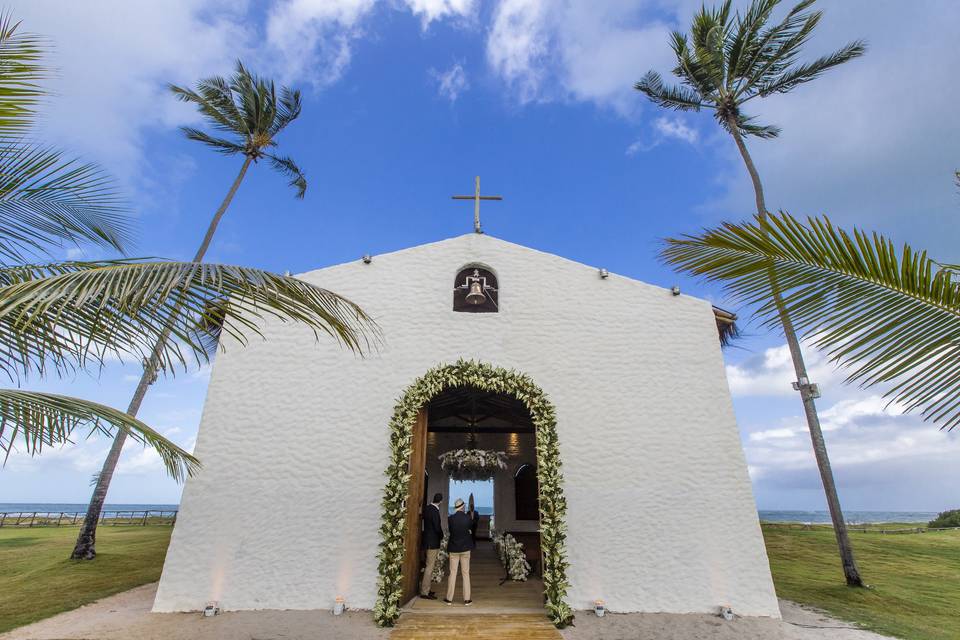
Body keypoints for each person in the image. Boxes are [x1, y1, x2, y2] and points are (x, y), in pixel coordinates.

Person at [444, 497, 475, 606]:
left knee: (452, 573)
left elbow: (452, 531)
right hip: (465, 548)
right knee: (465, 573)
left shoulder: (450, 518)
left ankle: (449, 599)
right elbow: (471, 527)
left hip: (454, 548)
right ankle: (467, 599)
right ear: (463, 507)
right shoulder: (467, 518)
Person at [419, 493, 443, 600]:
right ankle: (424, 592)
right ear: (441, 501)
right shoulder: (435, 511)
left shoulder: (427, 508)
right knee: (429, 567)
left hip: (427, 540)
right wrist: (442, 535)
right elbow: (437, 527)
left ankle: (427, 589)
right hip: (433, 542)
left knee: (428, 566)